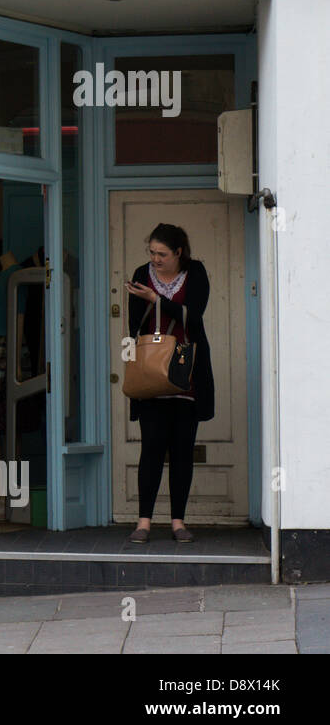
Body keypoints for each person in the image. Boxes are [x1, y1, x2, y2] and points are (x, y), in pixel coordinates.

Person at [124, 223, 214, 543]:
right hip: (151, 371)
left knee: (181, 451)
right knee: (151, 449)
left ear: (179, 252)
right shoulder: (140, 273)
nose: (156, 259)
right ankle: (144, 522)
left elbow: (196, 317)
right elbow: (134, 326)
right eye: (152, 253)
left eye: (162, 254)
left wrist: (157, 299)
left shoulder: (196, 273)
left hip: (186, 373)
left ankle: (178, 522)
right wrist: (148, 302)